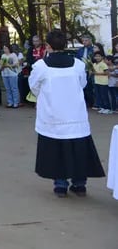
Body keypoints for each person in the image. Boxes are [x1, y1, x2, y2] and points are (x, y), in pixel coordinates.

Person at [29, 30, 105, 197]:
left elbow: (34, 87)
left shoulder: (41, 66)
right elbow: (83, 84)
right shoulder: (77, 64)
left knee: (56, 149)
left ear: (48, 46)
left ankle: (60, 185)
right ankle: (79, 184)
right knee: (78, 148)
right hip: (74, 114)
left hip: (53, 114)